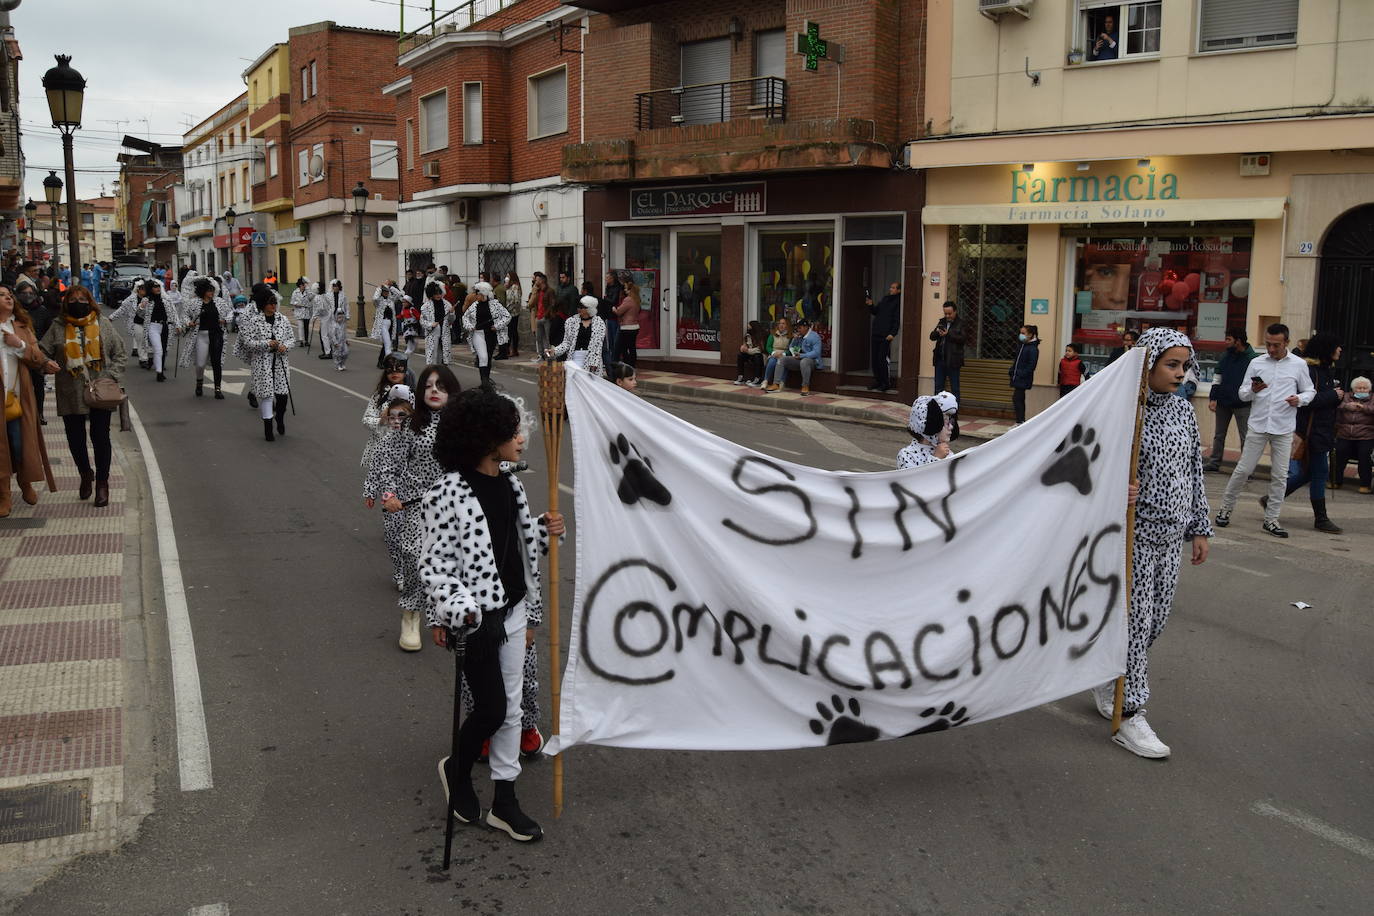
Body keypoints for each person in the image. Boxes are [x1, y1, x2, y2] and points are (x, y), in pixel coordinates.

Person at [422, 386, 565, 843]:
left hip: (516, 610)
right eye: (511, 430)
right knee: (491, 709)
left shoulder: (512, 484)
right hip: (478, 623)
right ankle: (458, 770)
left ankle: (506, 800)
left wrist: (546, 531)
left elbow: (518, 550)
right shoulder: (446, 493)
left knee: (511, 710)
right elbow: (436, 567)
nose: (520, 437)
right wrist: (463, 611)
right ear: (486, 437)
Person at [1087, 328, 1210, 759]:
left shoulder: (1185, 413)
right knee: (1135, 626)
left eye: (1184, 365)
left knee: (1154, 622)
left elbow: (1194, 470)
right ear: (1148, 365)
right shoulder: (1123, 413)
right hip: (1133, 538)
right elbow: (1091, 470)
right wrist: (1116, 490)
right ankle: (1132, 713)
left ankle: (1109, 679)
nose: (1180, 373)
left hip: (1172, 536)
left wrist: (1200, 527)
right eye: (1171, 365)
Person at [365, 364, 459, 650]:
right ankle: (411, 615)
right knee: (415, 557)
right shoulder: (409, 424)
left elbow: (486, 459)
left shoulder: (465, 426)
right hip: (417, 505)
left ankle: (452, 616)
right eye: (428, 385)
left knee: (455, 564)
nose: (434, 390)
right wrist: (390, 494)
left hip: (455, 507)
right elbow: (390, 461)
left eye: (441, 386)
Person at [1214, 323, 1314, 538]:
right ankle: (1225, 509)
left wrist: (1300, 399)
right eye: (1268, 344)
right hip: (1258, 425)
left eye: (1276, 345)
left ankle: (1271, 519)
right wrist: (1252, 389)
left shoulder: (1298, 365)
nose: (1270, 349)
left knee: (1280, 476)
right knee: (1243, 470)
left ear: (1286, 342)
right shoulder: (1256, 362)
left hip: (1283, 426)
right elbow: (1242, 394)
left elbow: (1310, 390)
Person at [39, 285, 127, 507]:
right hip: (70, 391)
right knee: (75, 439)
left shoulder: (102, 323)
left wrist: (111, 376)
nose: (79, 303)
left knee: (100, 437)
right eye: (74, 299)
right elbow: (42, 352)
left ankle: (102, 484)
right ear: (66, 302)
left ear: (90, 301)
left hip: (101, 391)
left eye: (83, 299)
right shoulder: (58, 327)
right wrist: (45, 364)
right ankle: (86, 473)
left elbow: (120, 353)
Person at [1276, 333, 1344, 534]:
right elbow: (1305, 400)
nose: (1340, 350)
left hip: (1323, 430)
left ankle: (1272, 499)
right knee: (1320, 473)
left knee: (1309, 473)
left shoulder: (1325, 370)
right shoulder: (1310, 371)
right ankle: (1321, 518)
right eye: (1337, 346)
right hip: (1311, 431)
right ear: (1327, 349)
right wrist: (1333, 395)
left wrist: (1336, 397)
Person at [0, 284, 59, 516]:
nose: (8, 298)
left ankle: (25, 482)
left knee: (18, 444)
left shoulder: (22, 327)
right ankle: (4, 493)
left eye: (9, 295)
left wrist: (20, 345)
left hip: (17, 399)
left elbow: (37, 357)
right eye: (1, 295)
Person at [235, 284, 295, 442]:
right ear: (263, 305)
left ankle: (280, 418)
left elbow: (291, 339)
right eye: (270, 303)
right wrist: (267, 343)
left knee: (282, 397)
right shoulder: (254, 322)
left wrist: (284, 346)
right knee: (267, 396)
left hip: (281, 362)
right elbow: (248, 342)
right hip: (262, 363)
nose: (274, 305)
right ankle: (268, 428)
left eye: (275, 302)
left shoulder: (283, 320)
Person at [1204, 329, 1258, 471]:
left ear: (1238, 341)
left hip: (1243, 404)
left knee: (1245, 437)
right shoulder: (1225, 356)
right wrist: (1213, 397)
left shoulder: (1252, 359)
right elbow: (1217, 377)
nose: (1225, 342)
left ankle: (1246, 468)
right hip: (1223, 402)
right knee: (1219, 434)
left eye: (1228, 339)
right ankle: (1214, 462)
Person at [178, 277, 231, 399]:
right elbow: (185, 315)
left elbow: (230, 312)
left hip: (217, 335)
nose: (211, 293)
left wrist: (225, 320)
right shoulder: (194, 303)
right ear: (202, 291)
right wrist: (188, 323)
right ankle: (199, 382)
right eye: (208, 290)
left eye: (212, 290)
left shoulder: (219, 302)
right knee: (200, 364)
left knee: (217, 363)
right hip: (201, 336)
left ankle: (217, 389)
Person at [462, 282, 511, 385]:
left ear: (484, 294)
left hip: (491, 335)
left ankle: (486, 379)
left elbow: (507, 316)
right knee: (483, 357)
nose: (476, 296)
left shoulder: (495, 304)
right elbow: (465, 317)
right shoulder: (474, 306)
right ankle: (484, 381)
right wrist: (470, 326)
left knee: (488, 357)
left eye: (478, 294)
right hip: (478, 334)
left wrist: (497, 326)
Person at [1333, 376, 1374, 494]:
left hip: (1366, 435)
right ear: (1353, 389)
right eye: (1358, 388)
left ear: (1369, 389)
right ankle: (1335, 481)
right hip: (1345, 433)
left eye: (1364, 388)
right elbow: (1336, 407)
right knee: (1339, 453)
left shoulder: (1372, 398)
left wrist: (1364, 408)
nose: (1361, 390)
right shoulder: (1345, 397)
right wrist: (1347, 406)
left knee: (1364, 455)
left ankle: (1365, 484)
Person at [896, 391, 958, 469]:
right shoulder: (907, 455)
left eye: (951, 421)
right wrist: (936, 458)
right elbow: (913, 480)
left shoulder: (947, 452)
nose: (951, 427)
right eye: (945, 422)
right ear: (927, 423)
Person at [763, 317, 823, 394]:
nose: (798, 330)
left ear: (806, 327)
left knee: (804, 361)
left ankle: (805, 386)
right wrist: (795, 340)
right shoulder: (799, 336)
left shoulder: (814, 336)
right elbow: (791, 348)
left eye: (800, 328)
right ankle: (776, 384)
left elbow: (816, 353)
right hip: (799, 360)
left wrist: (802, 355)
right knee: (782, 359)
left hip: (812, 361)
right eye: (797, 328)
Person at [548, 295, 606, 374]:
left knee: (588, 385)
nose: (579, 309)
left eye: (582, 307)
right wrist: (554, 351)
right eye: (578, 306)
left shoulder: (599, 323)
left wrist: (594, 362)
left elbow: (598, 345)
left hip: (591, 360)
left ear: (590, 308)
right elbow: (567, 343)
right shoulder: (571, 321)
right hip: (575, 358)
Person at [138, 279, 181, 382]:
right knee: (158, 349)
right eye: (154, 287)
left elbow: (174, 313)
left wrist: (178, 325)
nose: (157, 288)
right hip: (153, 327)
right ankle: (159, 372)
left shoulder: (166, 300)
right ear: (150, 289)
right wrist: (141, 307)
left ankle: (160, 370)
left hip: (165, 327)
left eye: (158, 286)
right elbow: (140, 314)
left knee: (164, 349)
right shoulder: (146, 300)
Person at [867, 282, 901, 392]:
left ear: (899, 290)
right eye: (890, 287)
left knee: (882, 359)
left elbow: (897, 319)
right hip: (876, 333)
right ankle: (878, 381)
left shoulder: (898, 301)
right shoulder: (885, 299)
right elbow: (876, 312)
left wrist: (893, 333)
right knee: (875, 359)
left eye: (893, 288)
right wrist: (871, 305)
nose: (890, 289)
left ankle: (886, 383)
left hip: (886, 335)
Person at [929, 302, 966, 401]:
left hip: (953, 360)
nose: (947, 316)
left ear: (955, 311)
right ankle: (937, 413)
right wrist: (937, 332)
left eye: (949, 313)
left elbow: (963, 339)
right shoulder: (942, 322)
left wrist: (948, 334)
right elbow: (931, 337)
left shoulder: (961, 323)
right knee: (938, 388)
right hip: (940, 360)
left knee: (955, 389)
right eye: (945, 313)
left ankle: (954, 414)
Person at [110, 280, 146, 367]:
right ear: (138, 290)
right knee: (141, 340)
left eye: (145, 289)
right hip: (136, 323)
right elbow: (122, 309)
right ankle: (143, 359)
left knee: (148, 341)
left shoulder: (150, 298)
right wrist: (111, 317)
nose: (144, 291)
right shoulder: (131, 299)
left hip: (149, 324)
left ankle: (150, 358)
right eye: (142, 289)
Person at [1008, 324, 1039, 425]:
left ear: (1030, 335)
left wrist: (1020, 374)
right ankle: (1020, 421)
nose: (1020, 335)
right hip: (1017, 376)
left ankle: (1020, 421)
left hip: (1023, 378)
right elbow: (1017, 361)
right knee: (1018, 399)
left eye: (1023, 333)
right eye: (1020, 333)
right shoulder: (1022, 345)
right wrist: (1012, 370)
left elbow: (1031, 366)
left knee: (1017, 398)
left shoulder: (1033, 349)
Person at [422, 281, 455, 367]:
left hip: (445, 334)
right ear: (431, 294)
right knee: (432, 357)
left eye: (440, 293)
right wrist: (430, 324)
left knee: (444, 357)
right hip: (432, 334)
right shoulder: (426, 306)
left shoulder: (447, 304)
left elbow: (451, 321)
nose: (438, 295)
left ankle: (442, 375)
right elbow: (422, 321)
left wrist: (451, 313)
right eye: (436, 293)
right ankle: (432, 374)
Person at [372, 282, 403, 367]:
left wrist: (391, 287)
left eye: (387, 291)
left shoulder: (391, 300)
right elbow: (375, 298)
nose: (386, 293)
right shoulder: (378, 301)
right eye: (384, 291)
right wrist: (378, 289)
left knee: (386, 343)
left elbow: (399, 294)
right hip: (382, 324)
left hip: (391, 324)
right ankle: (389, 363)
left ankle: (380, 362)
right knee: (388, 343)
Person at [612, 278, 641, 368]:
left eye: (626, 289)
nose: (624, 290)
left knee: (622, 347)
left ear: (630, 290)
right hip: (635, 326)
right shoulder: (637, 299)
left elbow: (619, 311)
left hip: (626, 327)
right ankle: (632, 365)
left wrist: (614, 309)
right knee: (632, 347)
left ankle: (625, 365)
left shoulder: (628, 299)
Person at [599, 271, 623, 368]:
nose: (605, 280)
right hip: (608, 315)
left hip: (614, 316)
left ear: (612, 278)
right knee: (610, 339)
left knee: (614, 338)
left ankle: (615, 359)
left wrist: (605, 298)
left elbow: (613, 300)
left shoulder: (617, 287)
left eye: (607, 278)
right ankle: (612, 360)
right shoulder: (608, 287)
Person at [761, 317, 792, 389]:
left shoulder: (790, 336)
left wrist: (784, 354)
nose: (781, 325)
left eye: (783, 323)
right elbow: (768, 347)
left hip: (784, 355)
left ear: (787, 325)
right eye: (780, 323)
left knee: (784, 361)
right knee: (772, 361)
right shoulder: (772, 335)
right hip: (774, 354)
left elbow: (791, 349)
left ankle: (782, 382)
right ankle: (765, 381)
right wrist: (773, 353)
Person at [527, 272, 551, 360]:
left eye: (536, 280)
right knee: (539, 337)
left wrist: (546, 314)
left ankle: (548, 355)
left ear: (541, 280)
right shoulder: (537, 291)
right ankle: (541, 355)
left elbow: (551, 304)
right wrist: (535, 290)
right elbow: (532, 302)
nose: (535, 281)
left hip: (546, 317)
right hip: (538, 316)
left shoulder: (549, 291)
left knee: (547, 338)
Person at [734, 320, 765, 386]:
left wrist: (747, 350)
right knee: (740, 355)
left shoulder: (760, 335)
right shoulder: (748, 336)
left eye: (749, 326)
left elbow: (760, 349)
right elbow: (746, 345)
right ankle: (741, 377)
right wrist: (743, 348)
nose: (748, 328)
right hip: (750, 354)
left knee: (757, 356)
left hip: (760, 356)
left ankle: (758, 379)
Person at [290, 277, 315, 349]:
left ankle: (306, 341)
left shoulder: (308, 292)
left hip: (307, 311)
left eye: (304, 285)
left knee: (306, 327)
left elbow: (311, 297)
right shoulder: (295, 292)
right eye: (302, 285)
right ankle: (301, 340)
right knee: (300, 326)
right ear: (299, 285)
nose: (303, 286)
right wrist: (296, 304)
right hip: (299, 311)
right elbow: (292, 301)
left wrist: (308, 289)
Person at [503, 271, 523, 359]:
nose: (506, 278)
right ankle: (509, 349)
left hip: (513, 312)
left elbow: (516, 300)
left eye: (508, 276)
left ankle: (513, 350)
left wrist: (509, 309)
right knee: (509, 331)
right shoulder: (508, 286)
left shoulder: (515, 286)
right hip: (508, 312)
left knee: (512, 331)